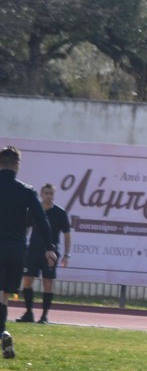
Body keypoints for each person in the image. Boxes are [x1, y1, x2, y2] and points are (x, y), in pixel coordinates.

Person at [0, 146, 57, 359]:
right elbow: (42, 220)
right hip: (16, 250)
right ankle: (2, 332)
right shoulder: (26, 191)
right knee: (5, 295)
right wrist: (50, 248)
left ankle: (2, 332)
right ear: (17, 165)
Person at [17, 183, 72, 324]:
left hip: (50, 253)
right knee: (27, 281)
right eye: (46, 193)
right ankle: (28, 313)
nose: (49, 196)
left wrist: (66, 255)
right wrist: (21, 245)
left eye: (51, 193)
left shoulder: (60, 213)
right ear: (41, 194)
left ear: (54, 195)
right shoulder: (34, 210)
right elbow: (26, 229)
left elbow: (67, 235)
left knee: (48, 283)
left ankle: (44, 316)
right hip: (33, 251)